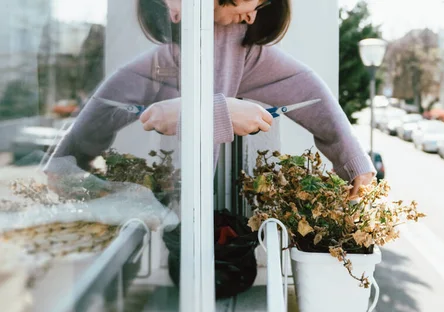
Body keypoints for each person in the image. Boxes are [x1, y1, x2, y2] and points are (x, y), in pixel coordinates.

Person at [49, 0, 376, 197]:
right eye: (245, 4)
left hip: (199, 220)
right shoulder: (167, 48)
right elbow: (112, 98)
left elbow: (307, 90)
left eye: (259, 6)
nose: (251, 16)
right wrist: (66, 162)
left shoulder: (241, 46)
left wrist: (355, 165)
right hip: (177, 211)